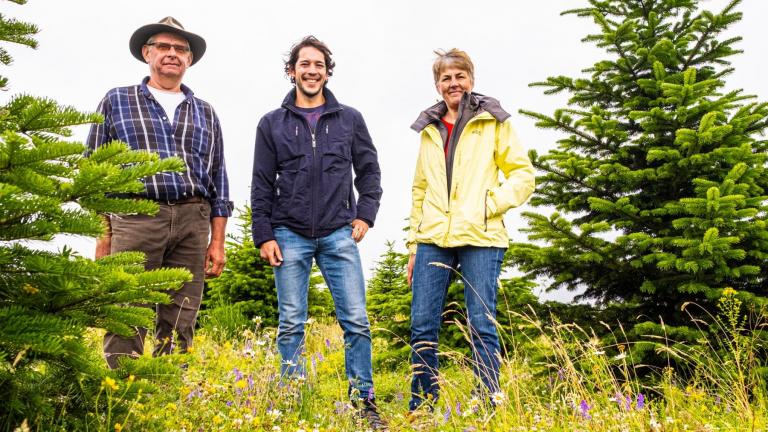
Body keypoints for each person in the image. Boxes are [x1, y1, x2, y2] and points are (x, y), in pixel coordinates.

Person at [250, 36, 385, 428]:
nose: (312, 71)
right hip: (288, 233)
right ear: (291, 71)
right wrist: (264, 234)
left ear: (328, 71)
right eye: (304, 64)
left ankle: (364, 403)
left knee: (356, 321)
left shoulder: (350, 119)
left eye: (319, 65)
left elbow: (370, 171)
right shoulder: (271, 123)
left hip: (339, 232)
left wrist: (366, 215)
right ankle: (291, 402)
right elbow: (260, 183)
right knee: (291, 321)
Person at [87, 17, 232, 369]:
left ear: (190, 60)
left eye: (180, 49)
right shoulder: (116, 101)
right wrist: (102, 235)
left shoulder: (206, 112)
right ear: (146, 52)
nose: (172, 54)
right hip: (136, 218)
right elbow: (93, 171)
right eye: (164, 47)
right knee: (127, 306)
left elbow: (218, 178)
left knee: (182, 313)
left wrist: (217, 241)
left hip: (192, 220)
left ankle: (169, 390)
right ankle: (121, 389)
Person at [406, 49, 535, 410]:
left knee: (481, 325)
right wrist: (414, 245)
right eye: (446, 78)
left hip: (481, 237)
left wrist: (488, 205)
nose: (453, 83)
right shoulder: (428, 128)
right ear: (437, 85)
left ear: (471, 80)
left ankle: (488, 404)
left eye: (459, 76)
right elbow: (420, 188)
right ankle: (423, 405)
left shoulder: (493, 120)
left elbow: (523, 175)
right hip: (433, 238)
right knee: (422, 326)